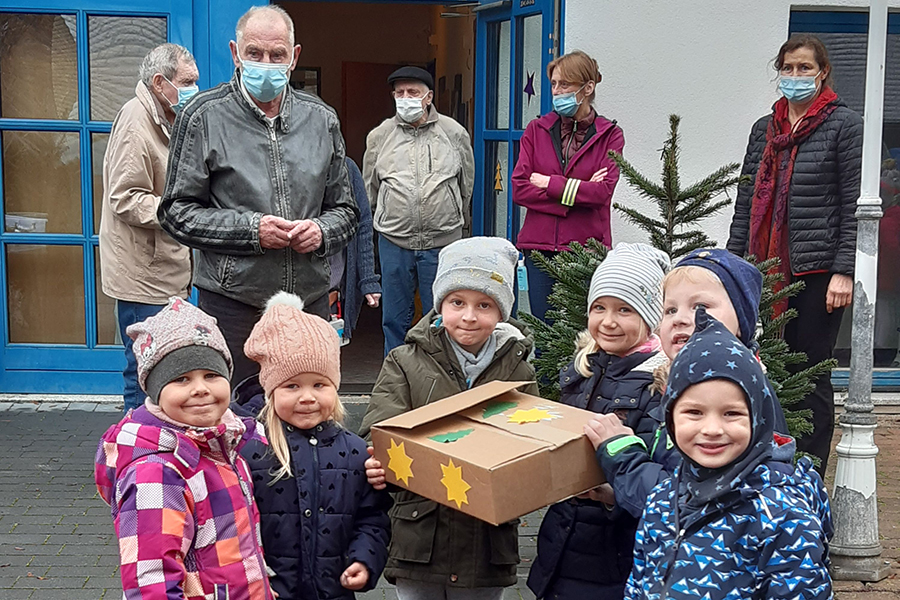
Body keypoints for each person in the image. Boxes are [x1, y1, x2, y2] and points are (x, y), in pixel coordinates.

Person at [159, 5, 358, 384]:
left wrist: (322, 231)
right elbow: (175, 212)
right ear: (236, 53)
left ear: (294, 57)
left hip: (309, 300)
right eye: (254, 53)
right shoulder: (203, 116)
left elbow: (346, 211)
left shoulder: (321, 119)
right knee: (238, 409)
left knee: (307, 406)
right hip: (234, 303)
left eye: (277, 55)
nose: (265, 64)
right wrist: (251, 231)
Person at [360, 237, 536, 600]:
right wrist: (376, 461)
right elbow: (378, 430)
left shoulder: (518, 370)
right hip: (419, 536)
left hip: (486, 544)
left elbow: (531, 443)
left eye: (484, 304)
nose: (469, 316)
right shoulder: (405, 361)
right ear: (440, 303)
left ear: (501, 311)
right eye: (457, 302)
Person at [625, 310, 833, 600]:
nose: (712, 429)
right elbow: (639, 583)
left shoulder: (781, 514)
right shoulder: (662, 499)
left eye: (731, 413)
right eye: (694, 412)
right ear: (670, 417)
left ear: (758, 417)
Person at [727, 34, 863, 472]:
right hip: (763, 269)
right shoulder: (763, 130)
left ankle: (809, 471)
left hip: (816, 271)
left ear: (822, 72)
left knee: (810, 372)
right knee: (763, 366)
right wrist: (732, 264)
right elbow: (746, 201)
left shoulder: (845, 125)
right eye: (787, 68)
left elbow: (854, 204)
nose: (795, 75)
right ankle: (769, 463)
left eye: (804, 68)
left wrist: (844, 270)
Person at [583, 248, 790, 522]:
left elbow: (690, 505)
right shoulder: (671, 382)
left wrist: (622, 456)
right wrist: (618, 493)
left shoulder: (739, 391)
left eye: (700, 307)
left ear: (741, 321)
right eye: (670, 310)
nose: (679, 318)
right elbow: (671, 482)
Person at [94, 298, 275, 600]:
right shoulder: (156, 473)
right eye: (181, 379)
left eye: (212, 375)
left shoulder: (225, 444)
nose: (200, 388)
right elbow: (151, 581)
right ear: (155, 390)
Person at [527, 243, 670, 600]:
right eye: (599, 308)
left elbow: (657, 480)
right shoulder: (583, 369)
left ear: (651, 316)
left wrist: (611, 496)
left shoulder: (657, 385)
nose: (608, 321)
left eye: (625, 309)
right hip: (563, 540)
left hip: (615, 553)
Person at [231, 292, 391, 599]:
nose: (307, 397)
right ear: (270, 391)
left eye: (319, 385)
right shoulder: (248, 449)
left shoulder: (355, 451)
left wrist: (364, 559)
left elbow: (372, 518)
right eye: (292, 386)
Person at [99, 43, 198, 412]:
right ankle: (135, 444)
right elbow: (124, 197)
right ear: (160, 82)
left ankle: (153, 440)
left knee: (161, 369)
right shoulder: (135, 120)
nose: (194, 90)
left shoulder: (165, 117)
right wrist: (181, 212)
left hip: (164, 271)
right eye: (186, 82)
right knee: (144, 370)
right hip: (144, 275)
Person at [363, 65, 475, 355]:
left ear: (429, 97)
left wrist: (457, 220)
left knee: (443, 318)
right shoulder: (379, 136)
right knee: (394, 319)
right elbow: (369, 189)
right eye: (399, 93)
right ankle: (396, 372)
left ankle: (440, 373)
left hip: (442, 242)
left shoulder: (454, 133)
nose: (405, 98)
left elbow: (466, 184)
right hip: (394, 240)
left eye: (413, 92)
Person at [511, 50, 624, 321]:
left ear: (588, 88)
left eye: (564, 84)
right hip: (538, 247)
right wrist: (577, 192)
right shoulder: (536, 130)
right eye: (553, 84)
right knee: (544, 329)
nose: (556, 91)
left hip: (586, 248)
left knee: (585, 329)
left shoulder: (610, 135)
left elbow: (602, 193)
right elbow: (519, 188)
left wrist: (549, 183)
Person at [330, 157, 381, 341]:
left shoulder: (346, 167)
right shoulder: (280, 165)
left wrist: (368, 280)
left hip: (331, 294)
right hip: (290, 294)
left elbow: (363, 225)